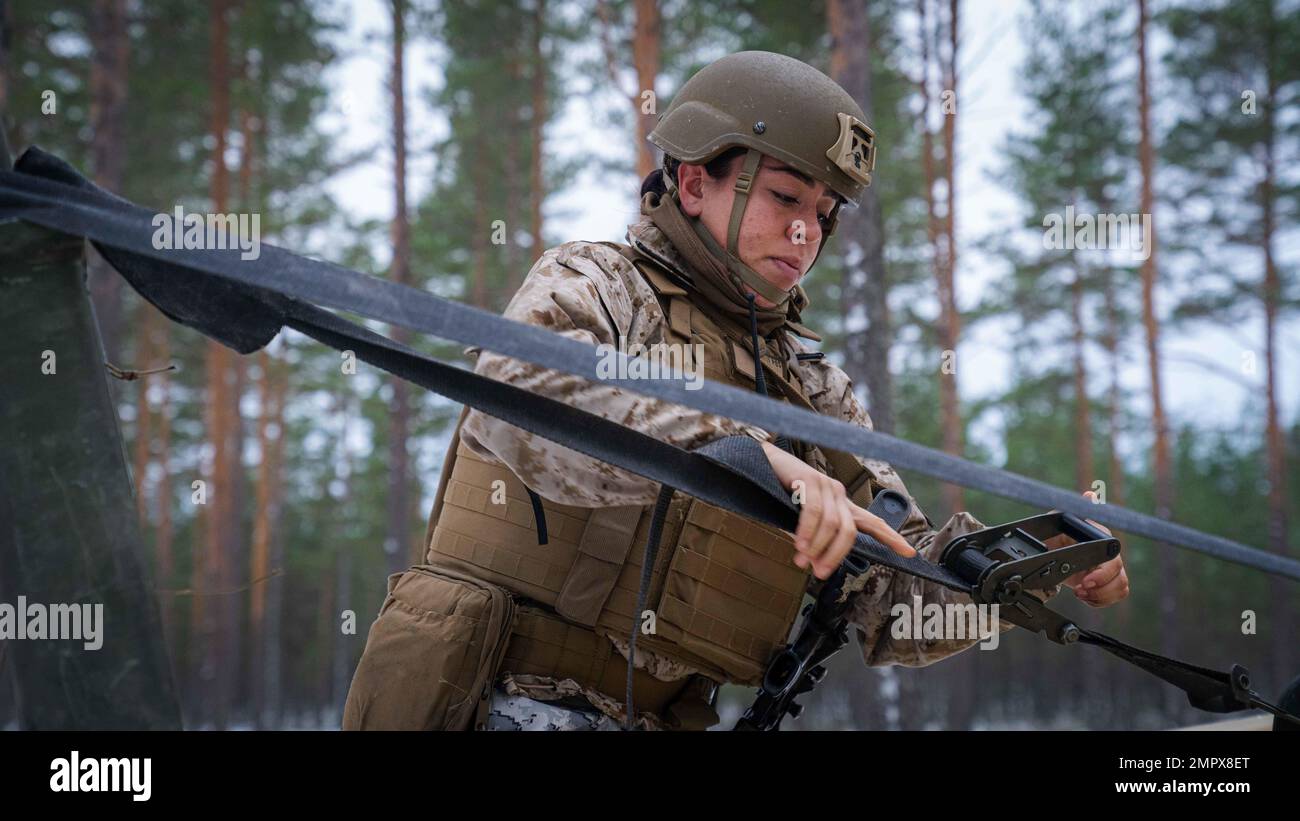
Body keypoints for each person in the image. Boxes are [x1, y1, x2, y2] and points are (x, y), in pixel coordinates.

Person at [343, 50, 1129, 732]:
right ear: (693, 182)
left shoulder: (808, 384)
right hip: (500, 699)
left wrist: (1025, 568)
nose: (807, 233)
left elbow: (894, 597)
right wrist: (743, 454)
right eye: (787, 198)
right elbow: (526, 399)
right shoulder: (600, 281)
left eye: (824, 213)